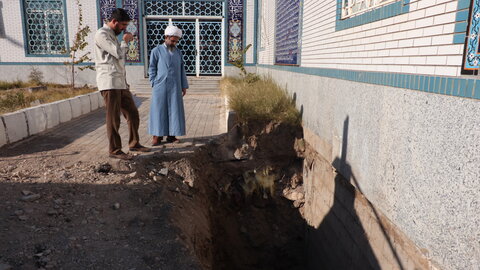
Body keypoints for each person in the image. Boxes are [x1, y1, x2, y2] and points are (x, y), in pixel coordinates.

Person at [94, 8, 150, 160]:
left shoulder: (113, 35)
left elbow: (119, 59)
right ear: (114, 21)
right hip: (109, 82)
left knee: (133, 113)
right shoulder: (102, 34)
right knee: (113, 118)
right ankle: (114, 149)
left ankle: (134, 143)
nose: (124, 28)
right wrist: (125, 41)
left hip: (120, 82)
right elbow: (118, 53)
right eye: (123, 25)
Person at [148, 25, 189, 145]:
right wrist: (153, 81)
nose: (174, 43)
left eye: (176, 41)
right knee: (159, 110)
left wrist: (184, 85)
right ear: (166, 37)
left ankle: (171, 136)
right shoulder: (156, 51)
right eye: (172, 40)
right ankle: (157, 136)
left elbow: (182, 69)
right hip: (160, 85)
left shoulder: (178, 52)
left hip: (175, 86)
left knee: (174, 110)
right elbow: (152, 67)